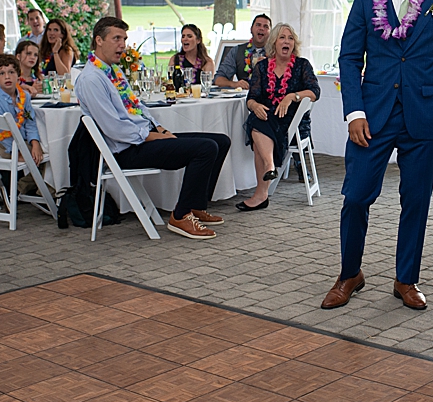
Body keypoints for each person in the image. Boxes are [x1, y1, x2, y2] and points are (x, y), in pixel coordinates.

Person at [321, 0, 433, 312]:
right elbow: (350, 59)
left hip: (423, 117)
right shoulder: (363, 2)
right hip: (372, 116)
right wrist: (354, 111)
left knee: (416, 201)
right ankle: (349, 274)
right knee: (355, 196)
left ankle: (406, 279)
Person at [75, 16, 231, 240]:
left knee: (221, 141)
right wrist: (152, 137)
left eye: (124, 39)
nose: (122, 45)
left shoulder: (113, 72)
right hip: (126, 150)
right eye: (116, 38)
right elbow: (114, 129)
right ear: (99, 40)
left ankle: (195, 205)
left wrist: (159, 128)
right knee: (205, 149)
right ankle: (180, 216)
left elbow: (137, 106)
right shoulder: (91, 79)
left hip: (142, 137)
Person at [237, 23, 320, 211]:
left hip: (293, 121)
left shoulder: (302, 65)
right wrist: (255, 105)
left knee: (258, 130)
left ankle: (262, 191)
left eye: (290, 38)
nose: (287, 41)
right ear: (274, 42)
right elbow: (251, 98)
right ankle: (269, 167)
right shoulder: (262, 67)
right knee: (256, 120)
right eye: (282, 37)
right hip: (267, 115)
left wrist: (292, 96)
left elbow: (315, 91)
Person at [0, 54, 43, 164]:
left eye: (11, 72)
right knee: (36, 159)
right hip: (6, 145)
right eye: (2, 73)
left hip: (24, 140)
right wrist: (16, 151)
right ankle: (26, 182)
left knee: (44, 152)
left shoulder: (24, 96)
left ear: (18, 75)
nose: (7, 77)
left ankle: (26, 181)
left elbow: (30, 123)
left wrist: (35, 143)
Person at [213, 13, 271, 90]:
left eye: (266, 26)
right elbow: (218, 79)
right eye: (258, 25)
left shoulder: (276, 52)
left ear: (271, 32)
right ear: (251, 29)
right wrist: (234, 84)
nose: (261, 28)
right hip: (243, 98)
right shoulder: (237, 51)